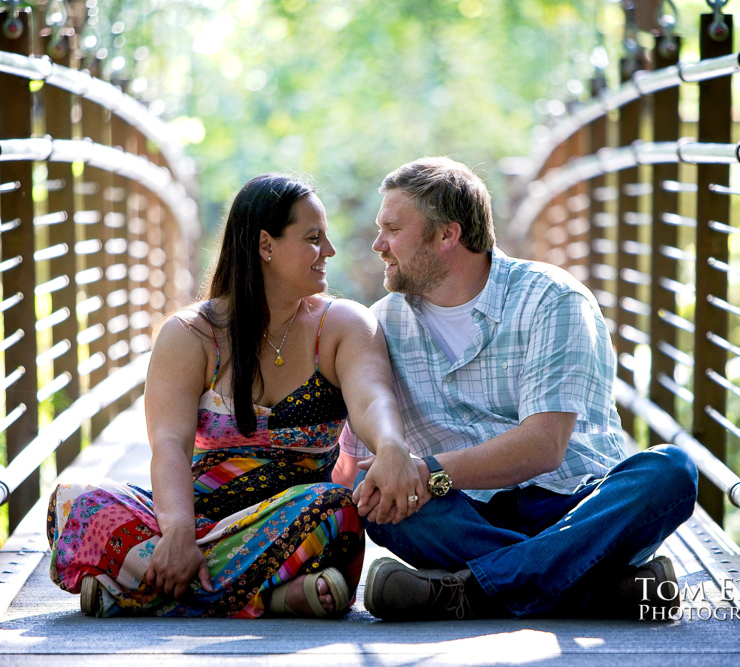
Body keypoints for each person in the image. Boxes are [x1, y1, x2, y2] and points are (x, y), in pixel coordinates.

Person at [339, 157, 699, 621]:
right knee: (382, 502)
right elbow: (352, 461)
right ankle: (596, 587)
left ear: (448, 235)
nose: (378, 244)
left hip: (575, 503)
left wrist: (427, 472)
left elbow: (544, 447)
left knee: (670, 472)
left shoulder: (553, 298)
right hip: (467, 517)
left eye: (392, 228)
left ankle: (466, 592)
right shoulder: (380, 326)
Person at [48, 174, 421, 618]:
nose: (330, 252)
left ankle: (145, 588)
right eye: (313, 238)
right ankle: (270, 596)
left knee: (335, 509)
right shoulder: (191, 333)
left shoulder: (343, 325)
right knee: (74, 500)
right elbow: (169, 445)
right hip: (196, 515)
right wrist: (179, 533)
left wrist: (391, 445)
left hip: (292, 521)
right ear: (266, 244)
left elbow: (371, 398)